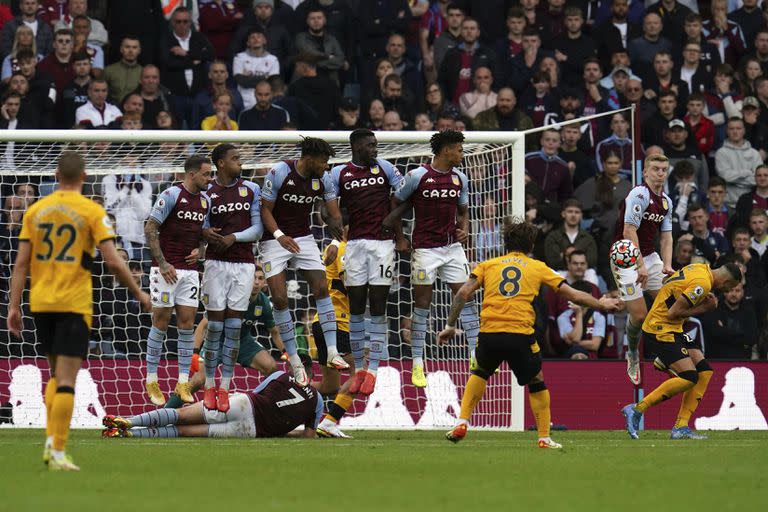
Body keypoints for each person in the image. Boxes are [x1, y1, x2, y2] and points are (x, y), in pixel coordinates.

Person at [7, 151, 150, 471]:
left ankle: (51, 443)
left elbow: (20, 263)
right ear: (83, 177)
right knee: (67, 379)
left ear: (56, 176)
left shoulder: (37, 211)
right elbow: (113, 261)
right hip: (73, 304)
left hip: (41, 303)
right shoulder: (91, 211)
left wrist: (13, 306)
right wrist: (139, 291)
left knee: (57, 375)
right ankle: (56, 451)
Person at [439, 218, 619, 447]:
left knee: (480, 372)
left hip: (490, 334)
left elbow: (463, 293)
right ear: (531, 245)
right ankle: (544, 437)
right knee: (537, 382)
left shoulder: (488, 264)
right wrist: (600, 304)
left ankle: (462, 421)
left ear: (506, 243)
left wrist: (450, 326)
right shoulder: (537, 267)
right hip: (520, 335)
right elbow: (572, 295)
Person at [384, 130, 478, 387]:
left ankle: (474, 354)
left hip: (451, 249)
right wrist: (400, 238)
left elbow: (463, 210)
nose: (461, 153)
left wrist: (465, 227)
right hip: (425, 250)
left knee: (466, 295)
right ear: (446, 150)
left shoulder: (460, 178)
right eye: (458, 149)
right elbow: (395, 204)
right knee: (422, 305)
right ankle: (417, 363)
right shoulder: (417, 176)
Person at [259, 137, 347, 387]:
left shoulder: (324, 179)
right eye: (323, 161)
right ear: (308, 158)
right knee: (279, 298)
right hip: (274, 239)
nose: (326, 166)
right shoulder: (279, 172)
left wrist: (333, 243)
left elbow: (334, 215)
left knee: (321, 288)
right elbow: (265, 209)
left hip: (304, 237)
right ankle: (295, 361)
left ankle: (332, 351)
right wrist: (279, 236)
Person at [622, 262, 742, 440]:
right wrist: (704, 308)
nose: (725, 291)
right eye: (729, 287)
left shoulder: (699, 267)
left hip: (674, 328)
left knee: (704, 371)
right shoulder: (703, 283)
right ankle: (637, 409)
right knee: (689, 377)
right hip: (660, 329)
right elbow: (673, 312)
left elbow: (670, 284)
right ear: (725, 281)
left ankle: (681, 427)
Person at [326, 129, 403, 395]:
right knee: (356, 305)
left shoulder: (386, 168)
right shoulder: (339, 173)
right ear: (357, 147)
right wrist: (333, 223)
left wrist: (392, 222)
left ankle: (373, 371)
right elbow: (327, 204)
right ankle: (359, 368)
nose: (375, 149)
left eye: (375, 145)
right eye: (370, 145)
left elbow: (405, 197)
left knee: (379, 305)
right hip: (355, 245)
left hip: (383, 245)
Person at [141, 156, 212, 407]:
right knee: (160, 321)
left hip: (189, 271)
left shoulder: (206, 200)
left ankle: (183, 381)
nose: (209, 179)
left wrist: (201, 250)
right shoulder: (171, 195)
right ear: (191, 174)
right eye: (206, 174)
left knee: (186, 323)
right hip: (165, 270)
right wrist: (162, 264)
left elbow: (202, 233)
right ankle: (151, 378)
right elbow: (150, 228)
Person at [163, 264, 284, 410]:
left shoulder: (264, 303)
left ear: (265, 282)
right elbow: (202, 325)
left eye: (260, 278)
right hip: (217, 341)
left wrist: (286, 352)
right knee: (199, 379)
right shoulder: (232, 296)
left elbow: (275, 332)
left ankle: (263, 408)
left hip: (243, 340)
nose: (257, 282)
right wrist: (194, 352)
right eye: (253, 278)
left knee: (271, 366)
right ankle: (166, 411)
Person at [199, 144, 263, 413]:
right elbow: (199, 224)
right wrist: (206, 233)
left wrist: (233, 237)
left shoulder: (251, 189)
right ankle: (210, 385)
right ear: (221, 163)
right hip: (215, 263)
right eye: (235, 159)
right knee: (214, 327)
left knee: (234, 327)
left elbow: (258, 228)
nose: (240, 162)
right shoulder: (207, 192)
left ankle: (225, 386)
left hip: (243, 264)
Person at [102, 368, 321, 439]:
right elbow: (309, 436)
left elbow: (256, 393)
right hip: (250, 430)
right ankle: (130, 435)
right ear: (312, 375)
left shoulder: (282, 375)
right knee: (186, 432)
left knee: (182, 414)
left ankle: (129, 422)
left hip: (245, 405)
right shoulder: (318, 401)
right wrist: (284, 430)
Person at [612, 154, 674, 385]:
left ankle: (668, 353)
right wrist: (639, 264)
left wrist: (666, 265)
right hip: (625, 255)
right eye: (656, 169)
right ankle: (632, 353)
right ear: (645, 172)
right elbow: (629, 230)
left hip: (650, 256)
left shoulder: (666, 201)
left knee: (670, 305)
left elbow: (666, 236)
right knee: (639, 316)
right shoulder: (639, 194)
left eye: (664, 170)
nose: (660, 173)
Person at [233, 28, 280, 111]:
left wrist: (248, 78)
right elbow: (241, 81)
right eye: (252, 37)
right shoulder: (239, 57)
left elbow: (272, 82)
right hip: (243, 101)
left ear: (264, 40)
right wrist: (264, 77)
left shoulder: (273, 59)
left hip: (266, 102)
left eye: (259, 36)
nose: (256, 39)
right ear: (247, 43)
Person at [103, 36, 141, 106]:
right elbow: (101, 92)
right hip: (112, 111)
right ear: (121, 49)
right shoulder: (109, 70)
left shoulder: (143, 72)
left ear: (139, 51)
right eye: (127, 47)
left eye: (134, 47)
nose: (131, 51)